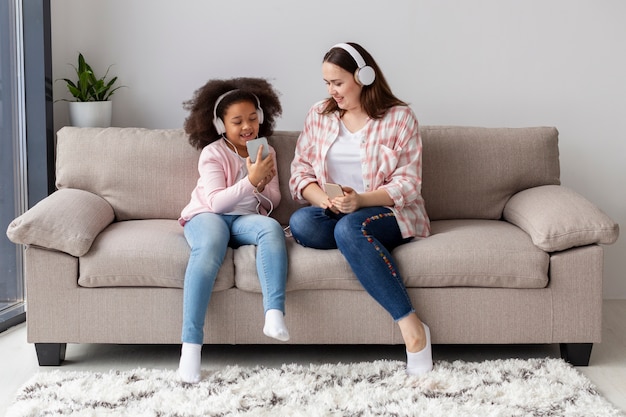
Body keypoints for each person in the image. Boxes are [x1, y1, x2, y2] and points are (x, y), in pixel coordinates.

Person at [289, 43, 433, 376]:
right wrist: (323, 200)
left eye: (337, 82)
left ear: (363, 76)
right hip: (335, 210)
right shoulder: (319, 115)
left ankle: (413, 329)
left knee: (349, 228)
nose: (331, 91)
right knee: (301, 223)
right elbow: (300, 172)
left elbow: (409, 184)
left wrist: (360, 201)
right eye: (327, 83)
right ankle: (356, 243)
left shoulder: (399, 117)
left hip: (386, 212)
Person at [178, 78, 289, 383]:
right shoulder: (213, 153)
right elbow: (215, 203)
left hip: (243, 219)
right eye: (237, 121)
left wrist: (263, 185)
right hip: (207, 215)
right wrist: (250, 181)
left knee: (270, 228)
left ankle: (273, 314)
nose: (247, 126)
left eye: (253, 118)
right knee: (211, 244)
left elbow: (274, 201)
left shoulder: (266, 151)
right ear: (220, 124)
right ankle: (190, 347)